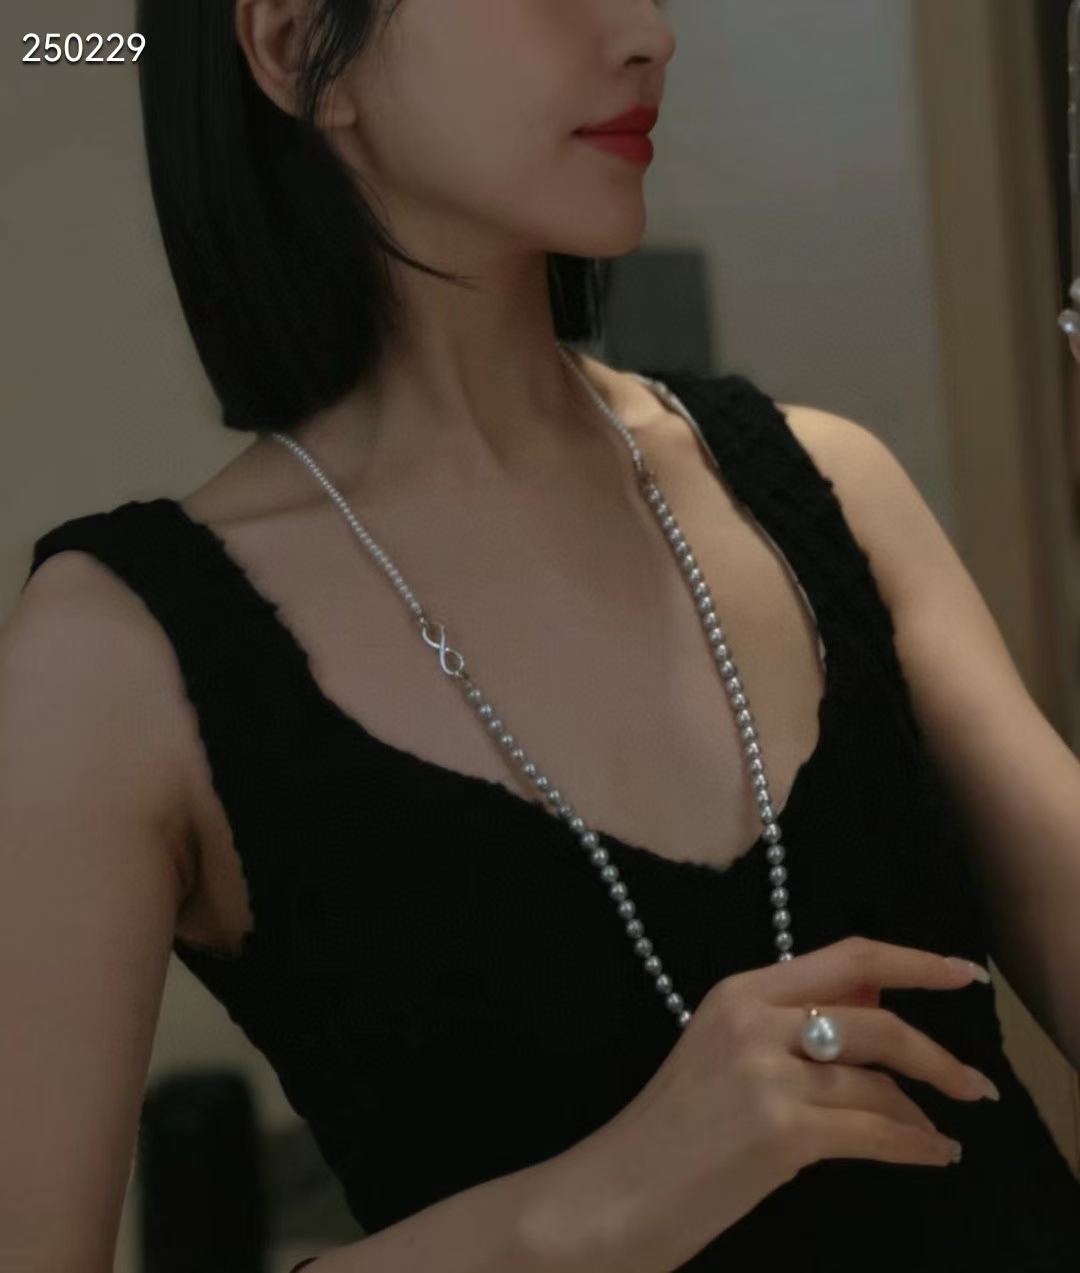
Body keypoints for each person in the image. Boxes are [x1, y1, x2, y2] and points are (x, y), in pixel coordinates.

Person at [3, 3, 1080, 1271]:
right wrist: (588, 1207)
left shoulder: (830, 487)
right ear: (296, 48)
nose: (648, 33)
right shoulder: (117, 659)